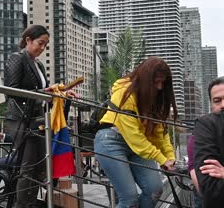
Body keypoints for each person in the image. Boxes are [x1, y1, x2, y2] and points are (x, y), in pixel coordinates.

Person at [94, 57, 177, 208]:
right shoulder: (124, 93)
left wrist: (170, 157)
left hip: (139, 146)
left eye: (162, 83)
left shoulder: (154, 98)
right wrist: (160, 158)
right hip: (112, 140)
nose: (159, 87)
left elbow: (160, 133)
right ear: (146, 79)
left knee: (155, 189)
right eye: (156, 82)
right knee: (129, 198)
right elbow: (133, 135)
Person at [4, 25, 64, 208]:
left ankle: (29, 202)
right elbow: (11, 90)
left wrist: (58, 92)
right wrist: (41, 91)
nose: (42, 48)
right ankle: (22, 205)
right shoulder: (17, 58)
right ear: (28, 40)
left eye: (45, 45)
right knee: (29, 166)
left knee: (39, 166)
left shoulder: (38, 64)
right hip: (21, 119)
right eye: (40, 43)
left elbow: (41, 92)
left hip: (37, 119)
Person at [194, 76, 224, 208]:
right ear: (211, 105)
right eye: (217, 101)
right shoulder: (206, 125)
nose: (223, 105)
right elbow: (210, 188)